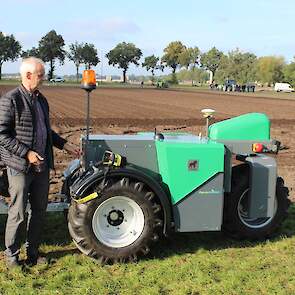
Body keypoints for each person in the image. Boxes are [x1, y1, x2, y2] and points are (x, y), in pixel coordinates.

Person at [0, 57, 80, 268]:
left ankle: (33, 251)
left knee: (39, 210)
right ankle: (12, 256)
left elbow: (45, 130)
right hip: (20, 167)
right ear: (28, 75)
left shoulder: (41, 99)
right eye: (41, 75)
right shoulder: (11, 100)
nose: (44, 78)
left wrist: (64, 145)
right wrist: (26, 154)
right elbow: (2, 135)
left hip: (41, 167)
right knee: (17, 213)